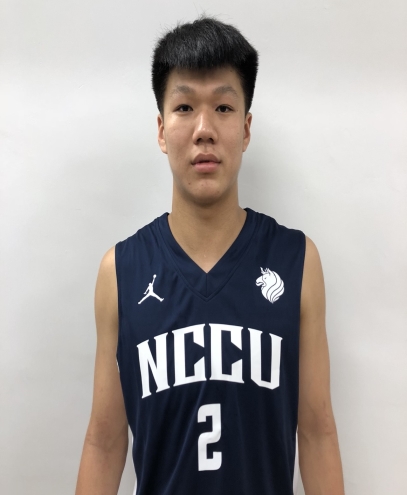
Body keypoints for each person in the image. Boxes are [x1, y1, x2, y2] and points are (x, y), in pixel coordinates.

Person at [75, 16, 345, 495]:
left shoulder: (297, 261)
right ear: (162, 130)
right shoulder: (120, 272)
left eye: (222, 107)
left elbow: (317, 431)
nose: (204, 129)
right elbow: (104, 440)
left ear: (245, 128)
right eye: (184, 107)